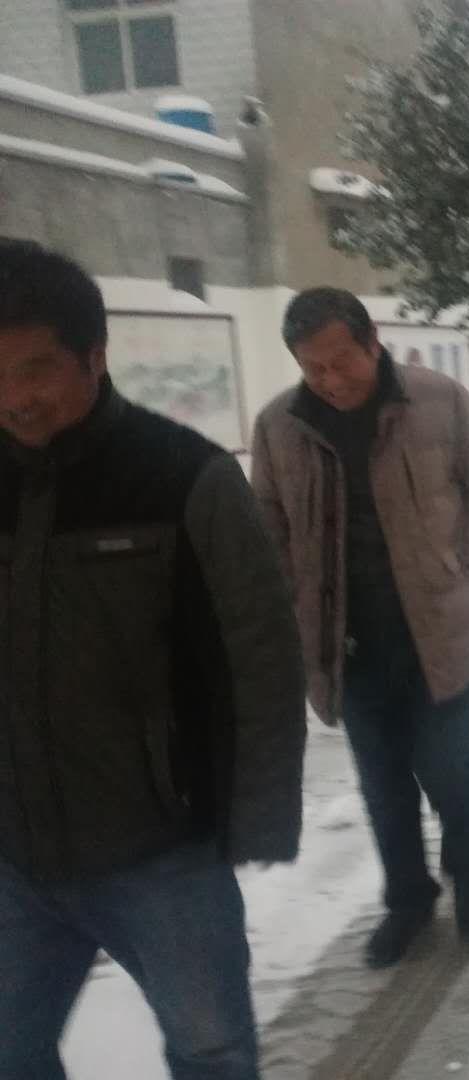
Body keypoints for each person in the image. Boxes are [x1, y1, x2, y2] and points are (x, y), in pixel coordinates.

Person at [0, 243, 306, 1079]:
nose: (14, 398)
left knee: (212, 1051)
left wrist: (259, 814)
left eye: (35, 370)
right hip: (15, 856)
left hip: (162, 850)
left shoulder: (184, 478)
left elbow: (263, 654)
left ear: (93, 357)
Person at [251, 288, 469, 968]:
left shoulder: (438, 400)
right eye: (313, 368)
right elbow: (267, 529)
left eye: (342, 361)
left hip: (440, 630)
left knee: (449, 766)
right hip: (348, 645)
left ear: (372, 343)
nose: (330, 380)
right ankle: (408, 900)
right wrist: (290, 610)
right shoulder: (279, 427)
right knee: (383, 781)